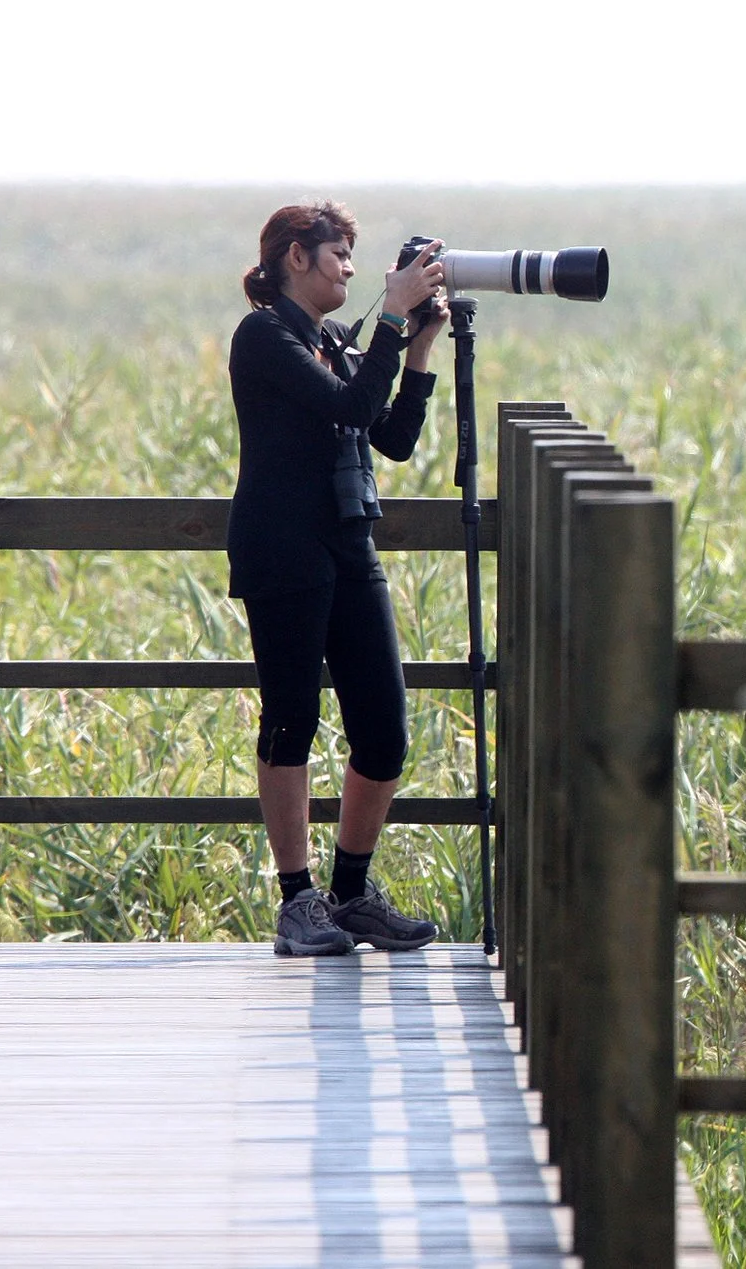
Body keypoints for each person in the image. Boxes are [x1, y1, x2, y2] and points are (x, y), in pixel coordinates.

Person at [229, 200, 448, 956]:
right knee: (291, 720)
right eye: (340, 256)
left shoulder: (328, 341)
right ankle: (299, 903)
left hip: (349, 544)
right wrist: (391, 317)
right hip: (283, 549)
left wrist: (416, 348)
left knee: (384, 730)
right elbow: (351, 402)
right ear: (297, 256)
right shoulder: (265, 337)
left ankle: (351, 894)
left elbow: (390, 438)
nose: (353, 270)